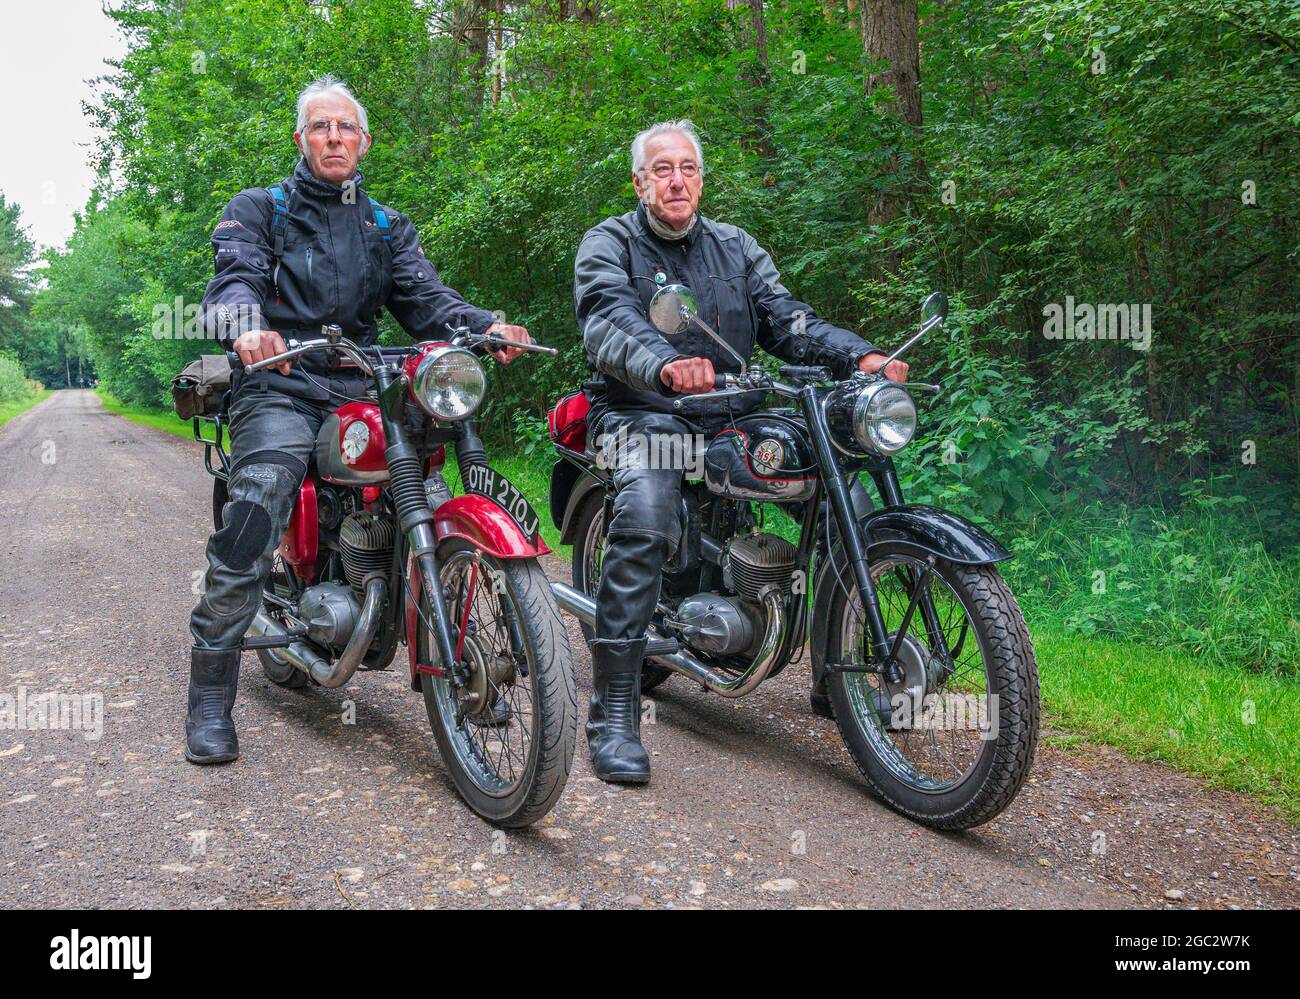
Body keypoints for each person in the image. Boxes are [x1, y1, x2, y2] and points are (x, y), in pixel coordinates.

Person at [185, 75, 529, 765]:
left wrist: (484, 325)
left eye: (345, 128)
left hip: (362, 378)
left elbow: (427, 300)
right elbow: (232, 281)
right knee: (261, 496)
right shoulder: (261, 209)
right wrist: (249, 326)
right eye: (321, 127)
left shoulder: (383, 224)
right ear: (301, 139)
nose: (334, 137)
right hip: (281, 380)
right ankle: (210, 688)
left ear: (364, 141)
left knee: (428, 461)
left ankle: (464, 629)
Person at [573, 119, 908, 784]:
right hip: (643, 410)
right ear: (640, 182)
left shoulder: (734, 246)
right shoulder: (610, 242)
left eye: (687, 168)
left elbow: (788, 319)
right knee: (645, 505)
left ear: (701, 178)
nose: (676, 179)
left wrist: (859, 353)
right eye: (661, 169)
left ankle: (838, 672)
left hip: (729, 412)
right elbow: (608, 320)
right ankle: (613, 711)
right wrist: (666, 364)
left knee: (845, 484)